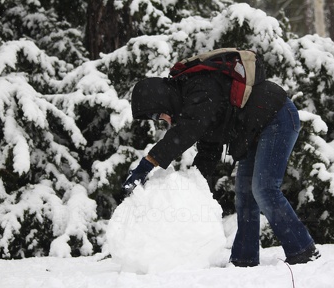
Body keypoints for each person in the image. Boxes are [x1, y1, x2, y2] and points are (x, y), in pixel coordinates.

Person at [121, 52, 320, 266]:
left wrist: (146, 165)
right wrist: (191, 186)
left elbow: (187, 131)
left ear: (160, 99)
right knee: (244, 195)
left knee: (264, 188)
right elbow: (209, 149)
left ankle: (302, 250)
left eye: (155, 114)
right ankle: (244, 259)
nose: (159, 119)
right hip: (252, 132)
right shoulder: (192, 106)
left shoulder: (198, 88)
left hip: (276, 117)